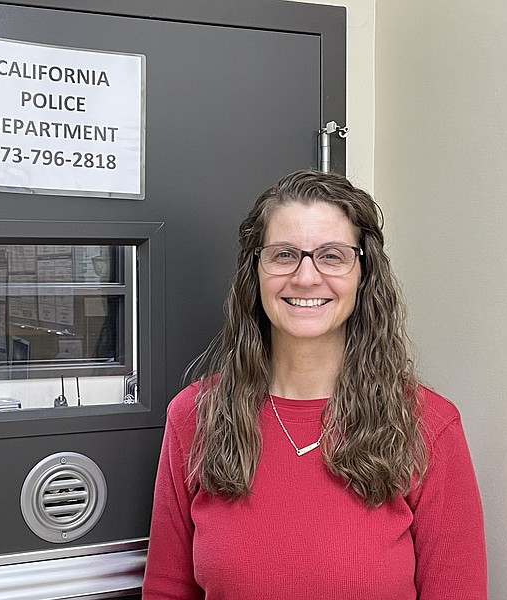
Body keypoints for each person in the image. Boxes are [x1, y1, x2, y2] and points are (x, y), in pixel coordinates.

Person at [142, 170, 487, 599]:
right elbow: (166, 591)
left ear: (364, 273)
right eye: (284, 254)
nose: (306, 277)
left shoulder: (429, 426)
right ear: (256, 272)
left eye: (332, 255)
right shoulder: (195, 418)